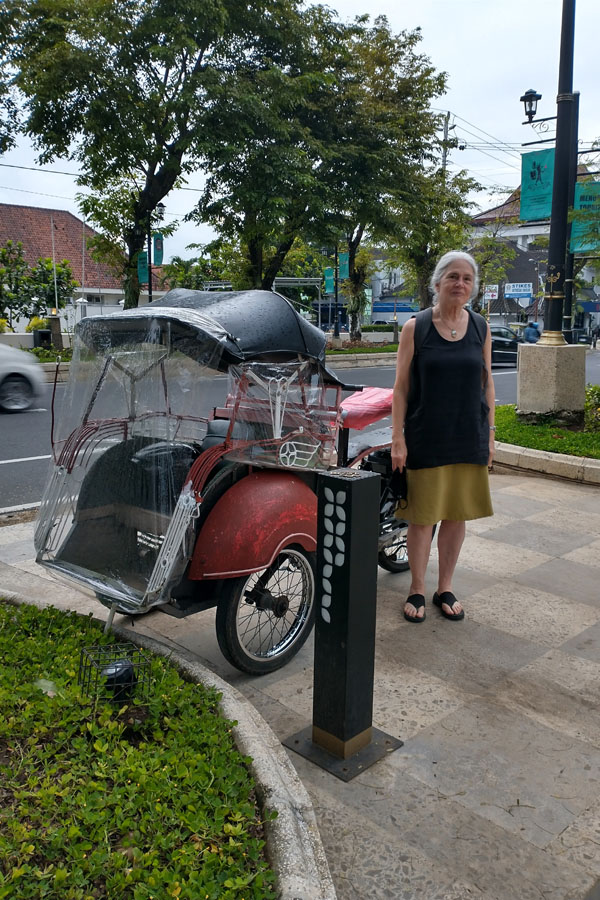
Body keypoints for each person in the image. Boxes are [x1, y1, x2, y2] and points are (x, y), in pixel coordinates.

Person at [391, 251, 495, 624]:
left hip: (468, 436)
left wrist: (491, 434)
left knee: (456, 515)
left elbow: (487, 383)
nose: (460, 284)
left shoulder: (481, 327)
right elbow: (400, 389)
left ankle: (444, 587)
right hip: (426, 437)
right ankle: (417, 587)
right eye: (453, 277)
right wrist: (398, 439)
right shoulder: (415, 328)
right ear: (437, 284)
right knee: (423, 517)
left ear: (473, 287)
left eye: (467, 278)